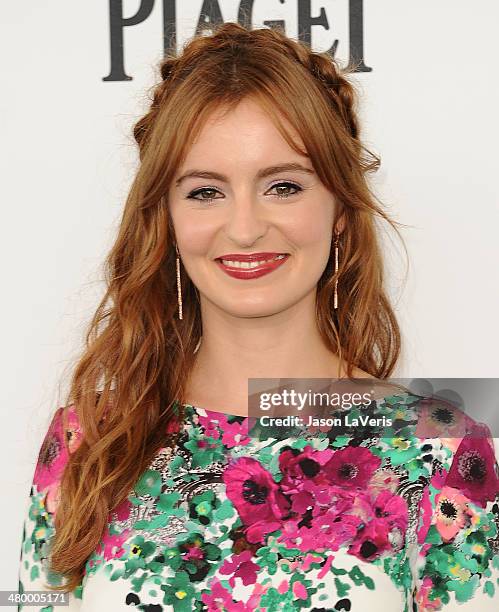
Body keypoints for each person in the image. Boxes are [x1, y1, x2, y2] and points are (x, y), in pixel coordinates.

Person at [18, 22, 499, 612]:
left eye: (283, 186)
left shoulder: (442, 450)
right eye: (205, 191)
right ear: (165, 217)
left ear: (342, 208)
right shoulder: (87, 440)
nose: (244, 227)